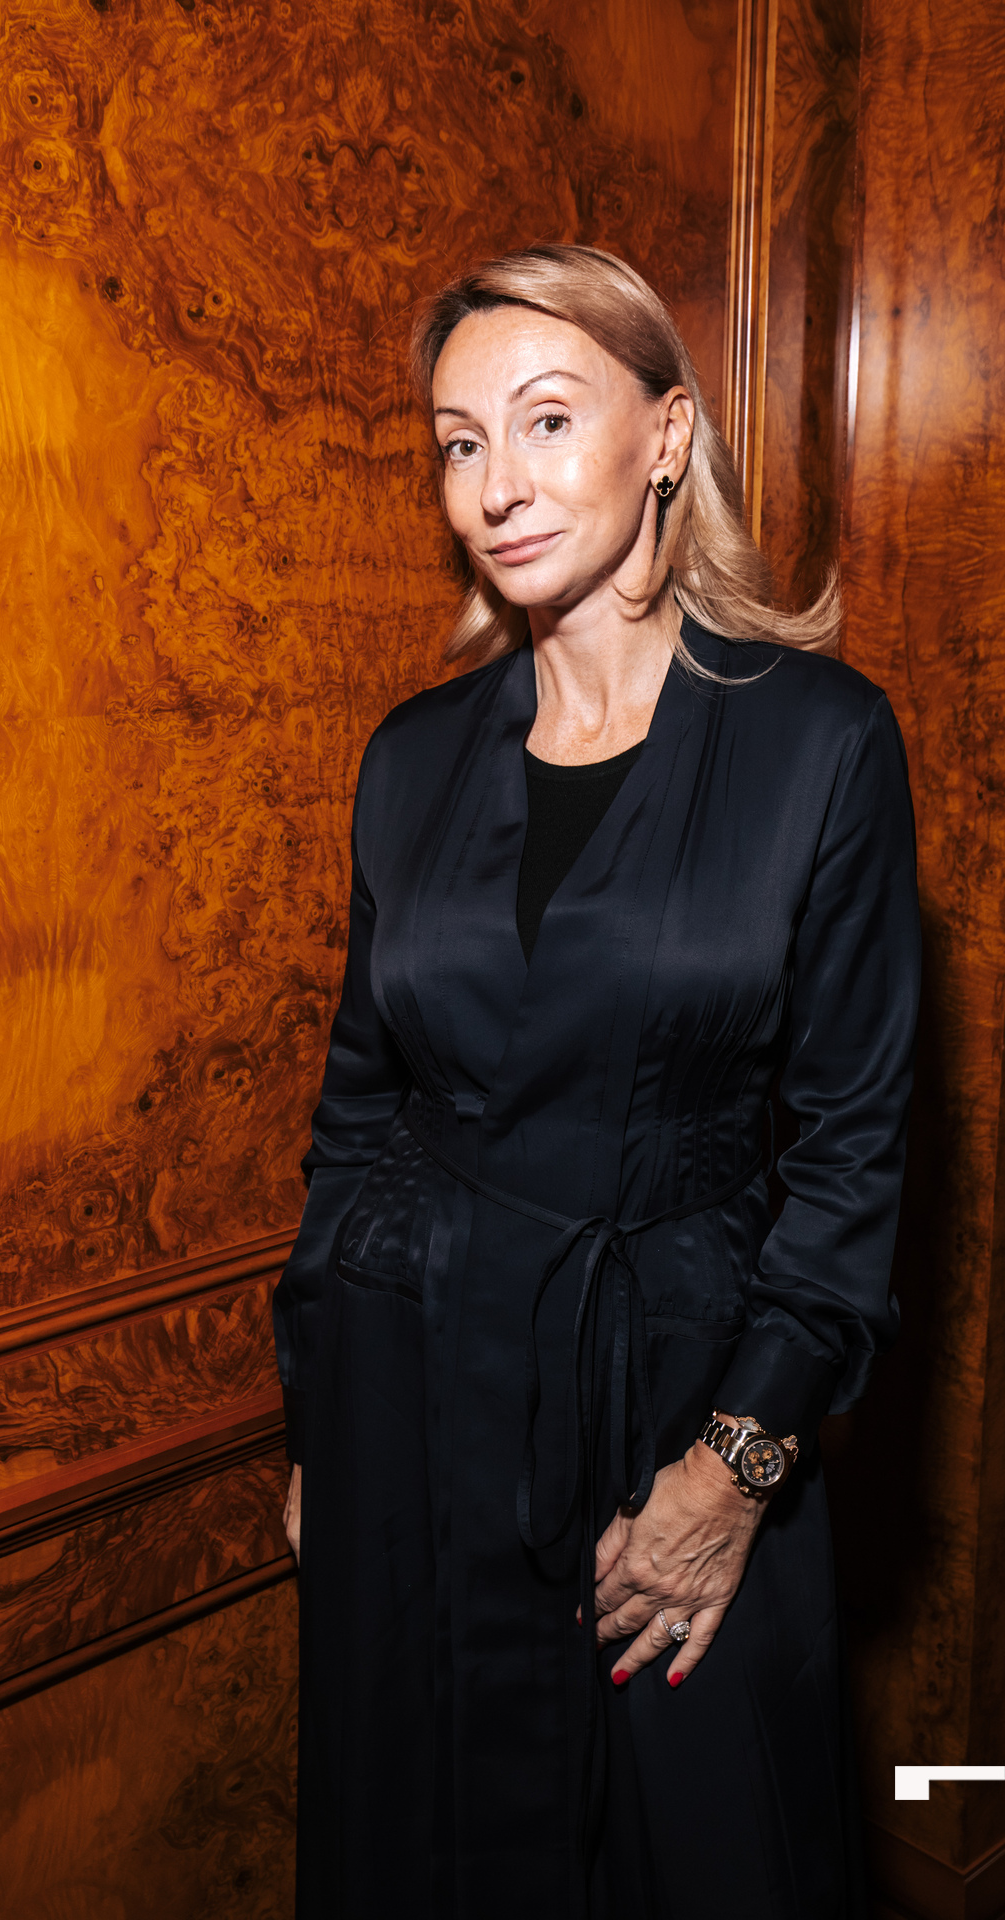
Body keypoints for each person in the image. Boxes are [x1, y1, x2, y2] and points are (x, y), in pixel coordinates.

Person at [272, 244, 920, 1920]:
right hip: (407, 1394)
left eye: (547, 420)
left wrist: (733, 1473)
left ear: (668, 435)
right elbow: (358, 1115)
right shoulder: (411, 759)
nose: (495, 483)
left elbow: (852, 1157)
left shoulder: (822, 743)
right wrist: (321, 1427)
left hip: (678, 1402)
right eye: (459, 442)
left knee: (707, 1849)